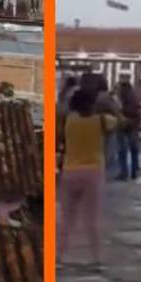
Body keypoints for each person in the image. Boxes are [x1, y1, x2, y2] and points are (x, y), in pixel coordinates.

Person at [57, 88, 117, 268]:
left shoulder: (68, 121)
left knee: (66, 217)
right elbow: (120, 121)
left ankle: (59, 257)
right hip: (93, 171)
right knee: (93, 218)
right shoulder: (102, 120)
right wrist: (109, 103)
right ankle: (97, 258)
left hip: (69, 170)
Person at [94, 79, 122, 177]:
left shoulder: (95, 96)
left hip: (96, 124)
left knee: (100, 147)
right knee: (108, 147)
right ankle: (104, 168)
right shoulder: (107, 97)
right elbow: (116, 109)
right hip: (108, 124)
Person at [115, 80, 141, 181]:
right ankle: (134, 170)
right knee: (134, 149)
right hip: (133, 125)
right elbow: (137, 112)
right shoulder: (134, 97)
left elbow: (120, 110)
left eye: (119, 88)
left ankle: (124, 172)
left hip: (124, 124)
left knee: (122, 150)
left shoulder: (122, 98)